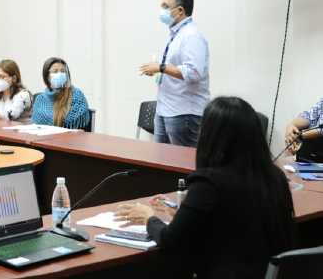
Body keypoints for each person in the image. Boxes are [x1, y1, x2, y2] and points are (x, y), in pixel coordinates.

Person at [115, 97, 294, 279]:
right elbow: (234, 221)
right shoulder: (275, 177)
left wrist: (149, 218)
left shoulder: (209, 183)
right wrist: (183, 213)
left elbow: (171, 241)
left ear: (211, 136)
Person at [139, 0, 209, 148]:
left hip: (184, 112)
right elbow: (174, 68)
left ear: (180, 11)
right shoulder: (175, 34)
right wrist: (158, 70)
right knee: (161, 163)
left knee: (182, 165)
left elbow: (194, 73)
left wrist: (161, 67)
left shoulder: (192, 36)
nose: (161, 11)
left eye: (165, 6)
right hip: (165, 109)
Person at [31, 57, 90, 129]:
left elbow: (77, 119)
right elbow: (36, 124)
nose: (60, 74)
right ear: (47, 76)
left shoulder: (76, 95)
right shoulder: (40, 99)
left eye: (63, 71)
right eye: (55, 71)